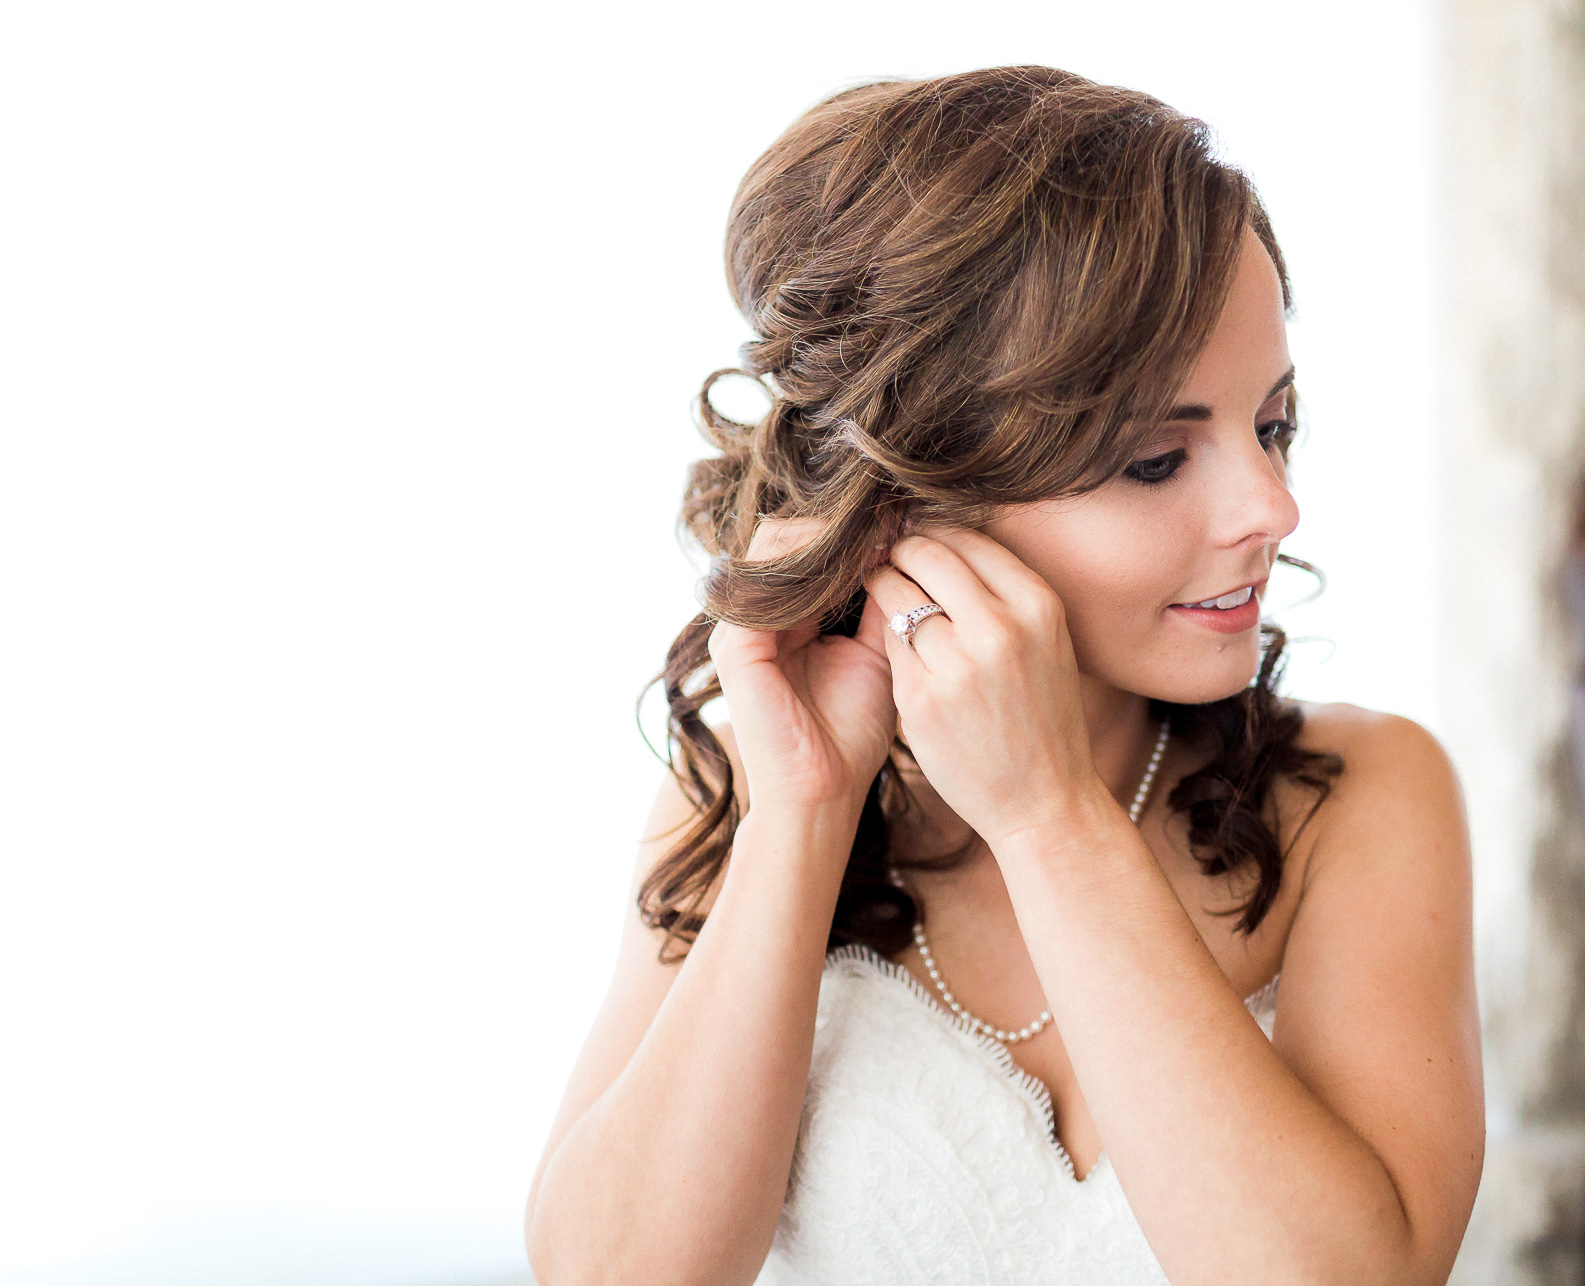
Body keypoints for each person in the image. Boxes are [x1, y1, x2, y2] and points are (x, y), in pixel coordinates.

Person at [524, 66, 1484, 1285]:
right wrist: (806, 816)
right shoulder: (742, 794)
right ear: (915, 501)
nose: (1272, 506)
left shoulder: (1364, 796)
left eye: (1273, 424)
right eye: (1153, 460)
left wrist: (1051, 818)